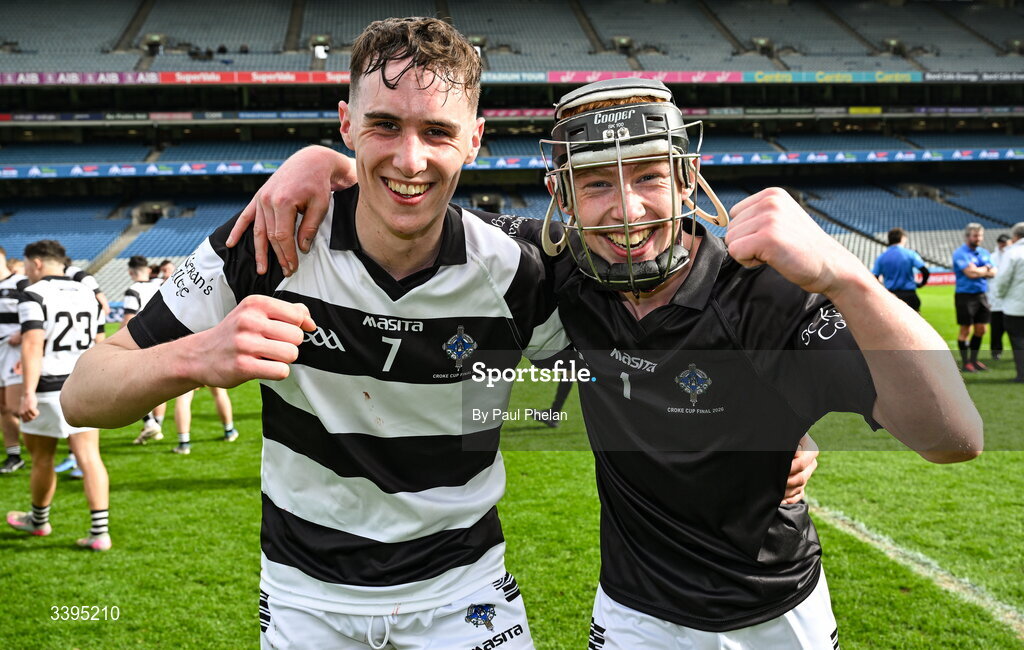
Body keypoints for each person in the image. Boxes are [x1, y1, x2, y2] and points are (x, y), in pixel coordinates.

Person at [231, 77, 983, 648]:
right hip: (632, 617)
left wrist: (844, 278)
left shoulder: (767, 294)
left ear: (686, 178)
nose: (626, 210)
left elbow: (954, 437)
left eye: (649, 175)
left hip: (776, 612)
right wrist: (320, 161)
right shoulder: (557, 271)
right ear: (561, 194)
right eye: (597, 182)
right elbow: (415, 192)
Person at [61, 17, 577, 648]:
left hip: (464, 596)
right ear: (345, 123)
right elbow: (82, 392)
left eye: (437, 132)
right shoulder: (266, 241)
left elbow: (653, 380)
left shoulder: (518, 269)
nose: (409, 158)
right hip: (306, 602)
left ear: (474, 141)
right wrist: (200, 353)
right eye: (384, 124)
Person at [7, 240, 110, 551]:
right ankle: (100, 533)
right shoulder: (90, 295)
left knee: (42, 459)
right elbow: (100, 341)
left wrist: (27, 393)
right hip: (84, 385)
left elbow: (32, 345)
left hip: (48, 387)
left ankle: (39, 521)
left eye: (26, 265)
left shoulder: (33, 293)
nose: (25, 271)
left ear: (37, 263)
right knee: (90, 457)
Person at [122, 255, 169, 444]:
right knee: (160, 385)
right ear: (148, 269)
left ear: (130, 272)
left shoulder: (133, 290)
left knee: (136, 385)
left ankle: (150, 422)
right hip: (165, 337)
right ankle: (156, 426)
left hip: (143, 339)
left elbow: (128, 320)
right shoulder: (160, 284)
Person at [953, 223, 996, 372]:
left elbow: (994, 272)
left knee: (981, 329)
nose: (978, 238)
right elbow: (970, 274)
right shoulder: (960, 253)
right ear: (967, 236)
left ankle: (974, 360)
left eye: (980, 235)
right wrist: (985, 269)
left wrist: (979, 270)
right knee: (966, 329)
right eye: (975, 235)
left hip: (981, 294)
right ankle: (965, 363)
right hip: (965, 295)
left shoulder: (984, 252)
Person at [0, 246, 28, 474]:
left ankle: (62, 445)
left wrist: (22, 333)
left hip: (15, 353)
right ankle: (14, 455)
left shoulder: (20, 283)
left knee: (16, 406)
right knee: (3, 407)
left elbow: (39, 313)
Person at [872, 227, 929, 311]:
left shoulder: (881, 257)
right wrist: (921, 284)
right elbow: (925, 271)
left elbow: (874, 277)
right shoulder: (910, 254)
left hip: (891, 296)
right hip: (909, 295)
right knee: (913, 322)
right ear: (902, 238)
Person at [995, 223, 1024, 383]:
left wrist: (1000, 296)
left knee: (1018, 340)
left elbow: (1002, 280)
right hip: (1016, 304)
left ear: (1015, 236)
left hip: (1016, 307)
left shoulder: (1012, 253)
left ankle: (1022, 374)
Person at [988, 233, 1011, 360]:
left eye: (1005, 243)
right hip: (995, 302)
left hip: (1012, 302)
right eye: (1001, 243)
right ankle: (995, 352)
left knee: (1016, 331)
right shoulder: (992, 258)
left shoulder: (1014, 256)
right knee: (996, 330)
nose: (1003, 245)